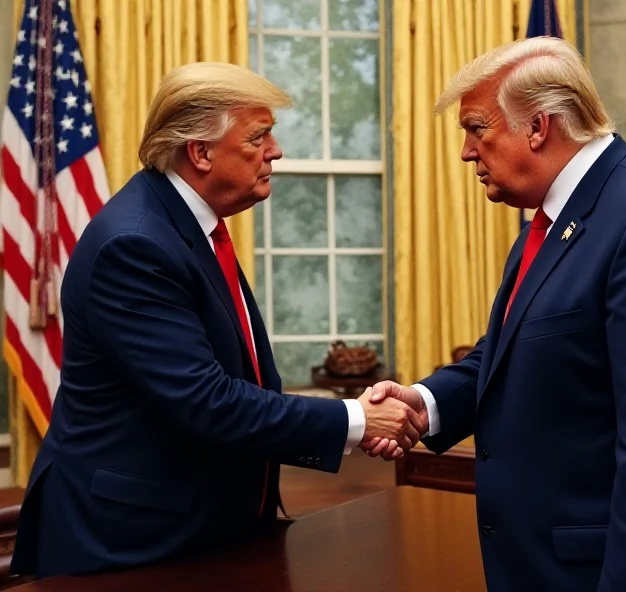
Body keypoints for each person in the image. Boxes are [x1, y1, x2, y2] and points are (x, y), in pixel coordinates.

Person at [365, 37, 626, 591]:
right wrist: (425, 402)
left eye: (477, 128)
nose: (466, 151)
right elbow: (514, 350)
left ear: (538, 127)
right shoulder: (557, 219)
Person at [11, 62, 420, 578]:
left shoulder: (189, 226)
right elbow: (206, 401)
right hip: (127, 547)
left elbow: (241, 377)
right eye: (259, 137)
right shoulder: (135, 244)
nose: (276, 152)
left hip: (202, 531)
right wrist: (357, 420)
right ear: (200, 152)